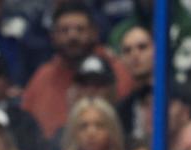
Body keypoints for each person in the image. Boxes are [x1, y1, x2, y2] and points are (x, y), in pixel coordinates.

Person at [21, 2, 133, 140]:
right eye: (64, 30)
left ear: (94, 32)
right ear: (53, 36)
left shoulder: (117, 72)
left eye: (80, 29)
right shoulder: (42, 78)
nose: (72, 36)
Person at [35, 98, 125, 150]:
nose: (91, 133)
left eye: (100, 125)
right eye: (83, 126)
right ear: (73, 132)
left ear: (111, 130)